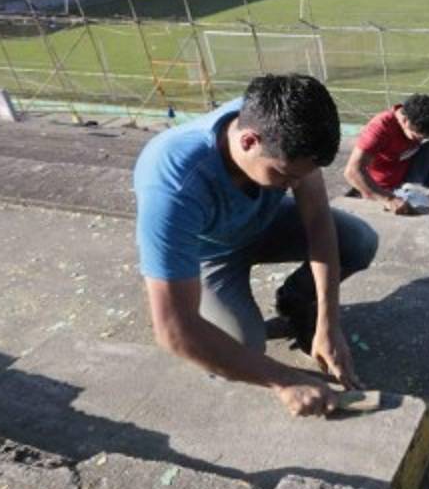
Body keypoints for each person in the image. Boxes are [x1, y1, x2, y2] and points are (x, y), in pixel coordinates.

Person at [134, 74, 378, 418]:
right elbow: (173, 328)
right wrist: (284, 379)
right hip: (211, 254)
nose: (295, 184)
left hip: (263, 225)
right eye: (285, 177)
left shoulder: (286, 129)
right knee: (243, 349)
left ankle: (296, 302)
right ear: (249, 141)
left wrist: (329, 320)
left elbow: (320, 226)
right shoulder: (173, 185)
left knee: (359, 241)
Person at [344, 94, 429, 215]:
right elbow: (352, 172)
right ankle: (409, 193)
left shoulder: (427, 120)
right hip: (384, 187)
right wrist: (388, 199)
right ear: (405, 121)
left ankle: (419, 189)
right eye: (418, 137)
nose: (420, 140)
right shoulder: (380, 128)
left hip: (407, 176)